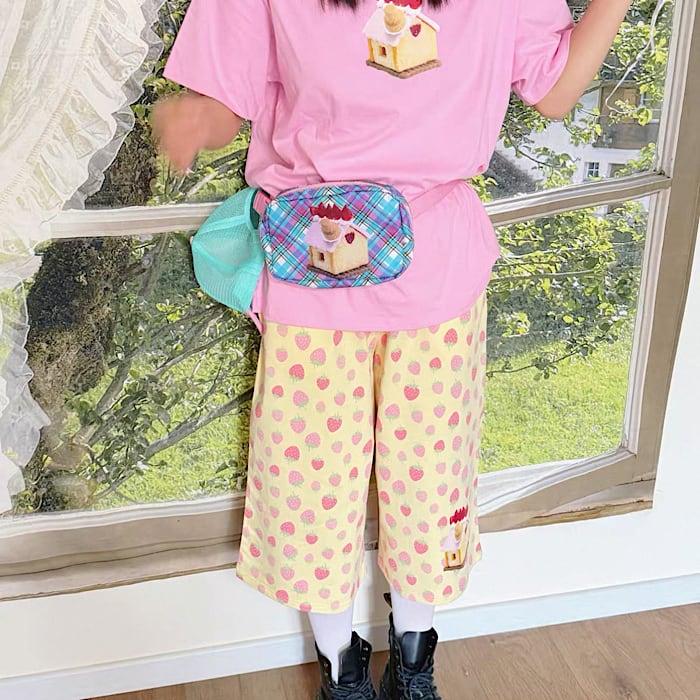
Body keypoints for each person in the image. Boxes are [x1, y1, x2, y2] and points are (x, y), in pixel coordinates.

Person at [153, 0, 633, 697]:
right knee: (309, 483)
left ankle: (413, 660)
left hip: (436, 274)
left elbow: (554, 88)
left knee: (431, 478)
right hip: (311, 274)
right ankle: (339, 666)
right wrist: (197, 118)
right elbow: (228, 92)